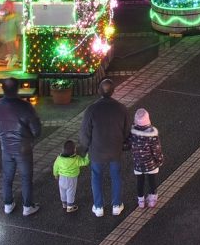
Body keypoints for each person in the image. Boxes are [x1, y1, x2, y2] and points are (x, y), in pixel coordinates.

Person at [0, 78, 42, 215]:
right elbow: (36, 130)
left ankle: (8, 204)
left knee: (7, 177)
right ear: (18, 88)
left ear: (3, 88)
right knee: (26, 177)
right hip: (24, 148)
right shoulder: (26, 106)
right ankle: (27, 206)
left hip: (6, 147)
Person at [79, 77, 129, 216]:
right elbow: (126, 131)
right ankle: (117, 205)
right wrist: (123, 143)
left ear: (99, 91)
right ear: (113, 91)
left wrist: (84, 147)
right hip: (115, 149)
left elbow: (85, 132)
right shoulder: (121, 108)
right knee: (116, 176)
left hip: (97, 150)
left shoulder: (92, 110)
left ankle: (98, 206)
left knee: (96, 176)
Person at [130, 108, 164, 210]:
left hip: (138, 164)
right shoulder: (152, 135)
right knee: (152, 181)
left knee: (140, 182)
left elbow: (128, 144)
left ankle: (141, 201)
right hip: (151, 164)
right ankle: (152, 200)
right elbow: (156, 150)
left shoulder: (133, 133)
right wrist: (160, 160)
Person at [51, 140, 89, 214]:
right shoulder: (76, 159)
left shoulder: (59, 158)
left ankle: (64, 204)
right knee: (70, 192)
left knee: (62, 191)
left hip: (61, 179)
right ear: (74, 150)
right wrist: (88, 155)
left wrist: (55, 174)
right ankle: (70, 206)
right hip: (72, 179)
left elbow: (55, 167)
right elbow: (85, 162)